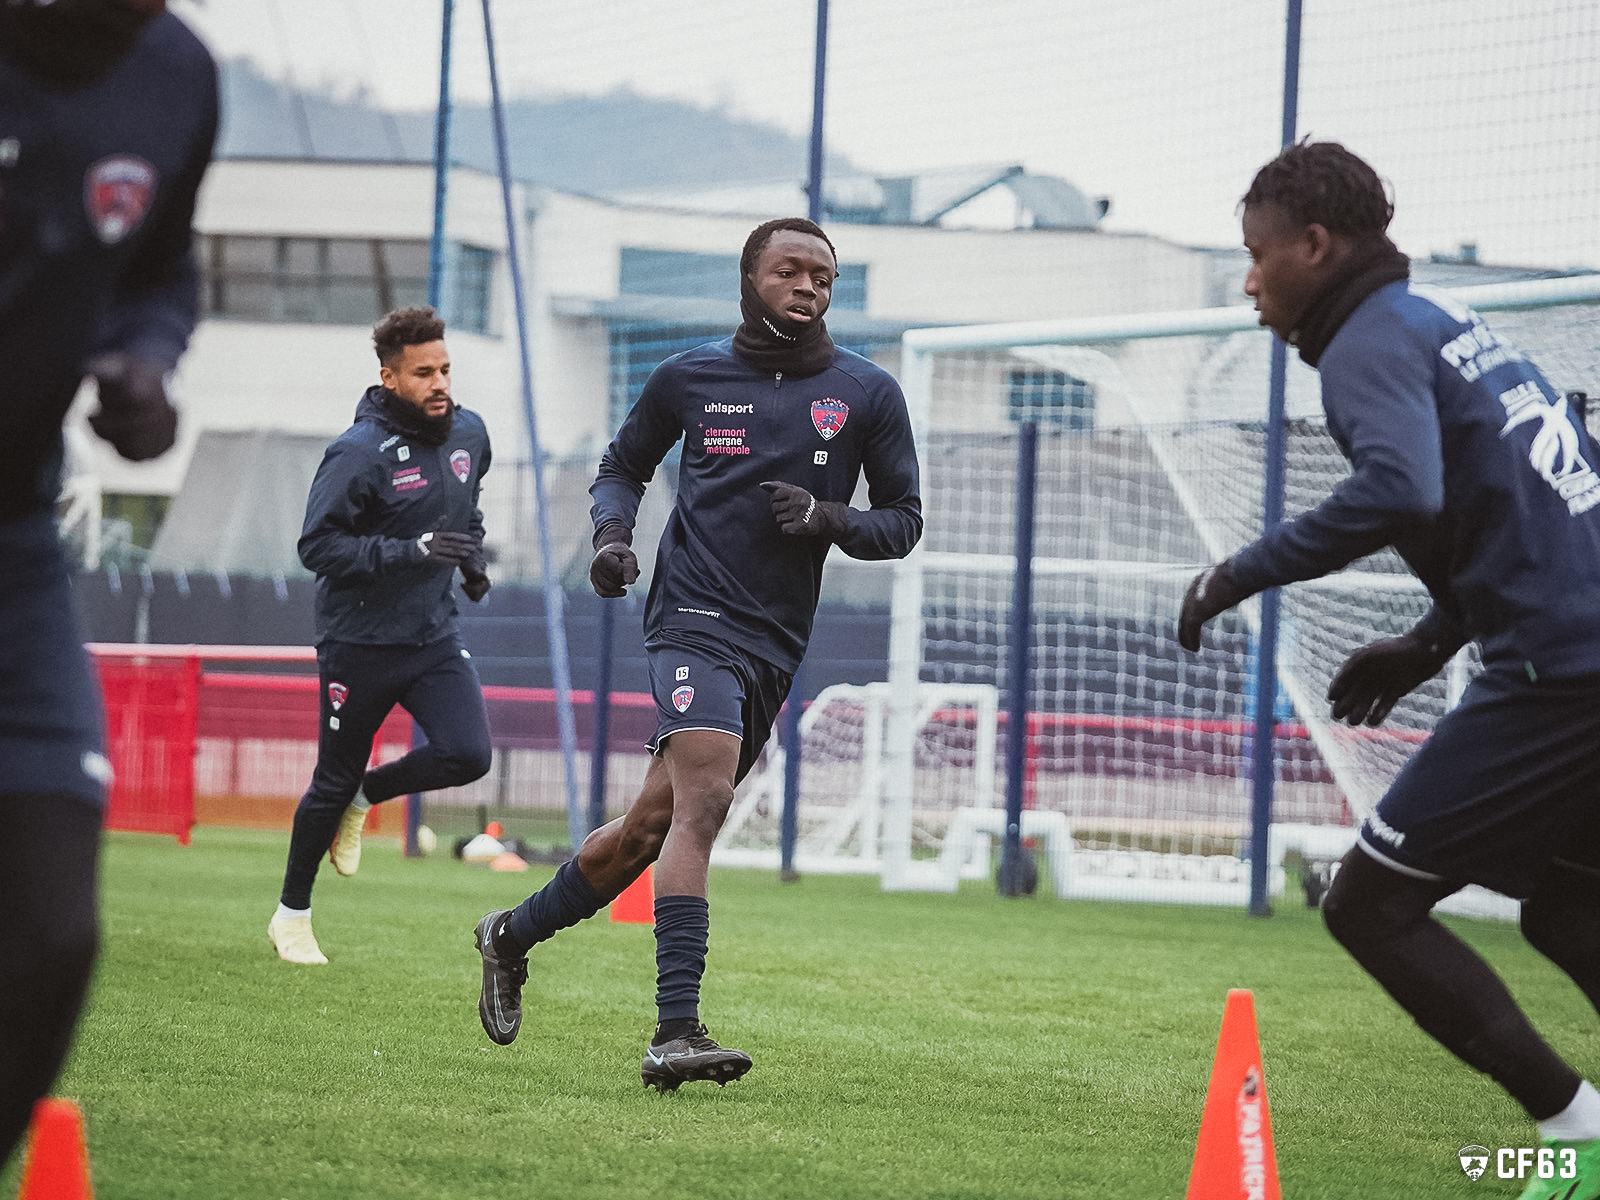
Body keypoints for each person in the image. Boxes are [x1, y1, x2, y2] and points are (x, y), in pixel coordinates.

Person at [1179, 140, 1600, 1199]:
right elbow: (1513, 512)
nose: (1248, 281)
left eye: (1255, 254)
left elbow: (1396, 493)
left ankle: (1577, 1132)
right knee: (1566, 909)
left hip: (1564, 669)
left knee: (1369, 907)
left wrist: (1236, 572)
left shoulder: (1368, 340)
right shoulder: (1445, 323)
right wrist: (1426, 641)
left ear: (1313, 247)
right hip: (1580, 644)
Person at [472, 217, 921, 1090]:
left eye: (822, 277)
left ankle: (510, 935)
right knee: (706, 801)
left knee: (648, 829)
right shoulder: (688, 376)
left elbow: (904, 520)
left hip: (775, 641)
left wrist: (832, 519)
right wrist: (610, 537)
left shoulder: (868, 393)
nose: (807, 287)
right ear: (749, 280)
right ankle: (676, 1030)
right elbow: (621, 465)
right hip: (688, 616)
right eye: (789, 271)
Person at [0, 0, 217, 1166]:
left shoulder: (175, 72)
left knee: (49, 934)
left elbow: (160, 265)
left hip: (14, 549)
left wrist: (146, 361)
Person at [270, 307, 495, 964]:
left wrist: (470, 563)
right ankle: (292, 916)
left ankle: (367, 796)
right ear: (389, 377)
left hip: (431, 637)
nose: (439, 383)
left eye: (445, 368)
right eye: (423, 372)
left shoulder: (471, 434)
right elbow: (318, 546)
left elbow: (465, 514)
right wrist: (411, 551)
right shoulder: (357, 452)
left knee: (468, 753)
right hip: (358, 644)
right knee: (330, 779)